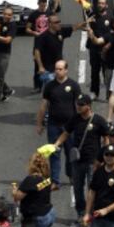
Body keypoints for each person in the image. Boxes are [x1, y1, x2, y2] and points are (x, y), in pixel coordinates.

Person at [55, 94, 109, 221]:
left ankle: (91, 213)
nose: (78, 107)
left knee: (92, 189)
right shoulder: (75, 119)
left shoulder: (98, 120)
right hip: (77, 161)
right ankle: (80, 211)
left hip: (93, 161)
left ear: (89, 106)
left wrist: (104, 156)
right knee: (77, 188)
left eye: (81, 105)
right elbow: (66, 133)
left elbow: (106, 138)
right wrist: (57, 144)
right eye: (77, 104)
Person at [36, 59, 81, 189]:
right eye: (56, 69)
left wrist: (80, 124)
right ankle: (55, 180)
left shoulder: (73, 85)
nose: (57, 71)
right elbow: (44, 105)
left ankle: (71, 175)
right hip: (54, 125)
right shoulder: (50, 86)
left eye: (60, 69)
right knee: (54, 153)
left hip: (69, 126)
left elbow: (79, 106)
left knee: (70, 152)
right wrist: (39, 124)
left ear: (66, 70)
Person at [12, 152, 56, 227]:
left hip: (37, 218)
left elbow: (17, 197)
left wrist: (14, 191)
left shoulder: (31, 180)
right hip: (49, 213)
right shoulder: (47, 177)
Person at [34, 15, 84, 88]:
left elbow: (73, 28)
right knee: (52, 90)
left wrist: (83, 23)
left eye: (59, 21)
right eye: (56, 22)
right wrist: (40, 67)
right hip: (48, 69)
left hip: (59, 67)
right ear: (50, 24)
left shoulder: (61, 32)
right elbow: (37, 51)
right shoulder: (43, 36)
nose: (59, 24)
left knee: (59, 89)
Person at [86, 0, 113, 100]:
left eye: (102, 3)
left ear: (106, 5)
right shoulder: (92, 16)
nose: (100, 5)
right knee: (94, 71)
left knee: (107, 73)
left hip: (106, 50)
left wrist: (109, 44)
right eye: (99, 3)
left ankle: (109, 93)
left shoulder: (110, 18)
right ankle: (94, 92)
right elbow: (86, 25)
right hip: (94, 48)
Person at [26, 0, 51, 93]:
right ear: (38, 4)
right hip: (38, 42)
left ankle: (47, 84)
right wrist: (34, 32)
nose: (43, 8)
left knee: (48, 64)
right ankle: (37, 86)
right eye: (41, 6)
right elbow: (27, 28)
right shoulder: (33, 15)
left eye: (44, 6)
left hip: (48, 42)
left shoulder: (50, 13)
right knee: (37, 64)